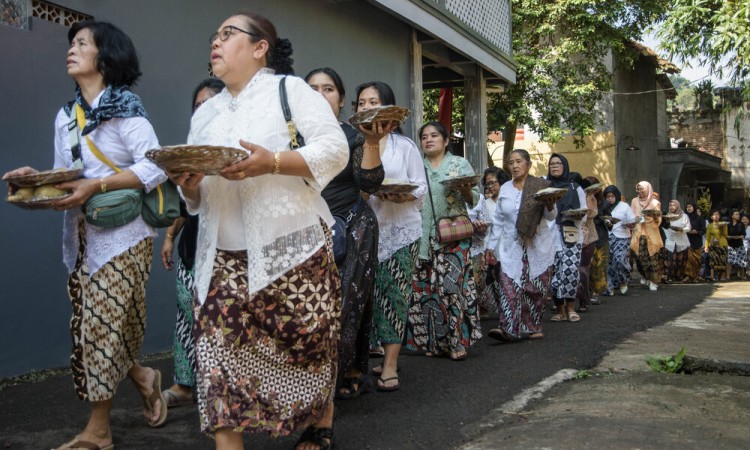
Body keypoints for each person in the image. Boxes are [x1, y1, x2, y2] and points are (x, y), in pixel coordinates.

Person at [168, 12, 349, 450]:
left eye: (227, 34)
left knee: (310, 344)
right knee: (216, 359)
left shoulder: (290, 90)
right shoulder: (206, 112)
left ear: (259, 46)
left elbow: (335, 149)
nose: (216, 41)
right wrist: (189, 188)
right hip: (220, 258)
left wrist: (271, 162)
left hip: (292, 245)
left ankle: (321, 418)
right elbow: (197, 200)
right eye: (214, 35)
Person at [3, 20, 168, 450]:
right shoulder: (66, 115)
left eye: (81, 43)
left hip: (125, 237)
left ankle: (98, 431)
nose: (71, 50)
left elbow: (156, 166)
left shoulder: (127, 108)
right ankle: (144, 375)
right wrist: (35, 180)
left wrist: (100, 185)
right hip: (81, 238)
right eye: (71, 43)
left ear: (105, 55)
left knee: (101, 329)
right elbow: (68, 176)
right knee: (102, 326)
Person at [304, 67, 386, 399]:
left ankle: (346, 370)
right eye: (311, 89)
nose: (320, 95)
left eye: (328, 89)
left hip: (352, 228)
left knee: (348, 306)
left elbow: (369, 183)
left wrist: (371, 142)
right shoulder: (289, 138)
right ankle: (312, 376)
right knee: (309, 307)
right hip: (306, 230)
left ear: (341, 100)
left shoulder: (353, 135)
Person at [357, 81, 427, 392]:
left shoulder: (406, 147)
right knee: (366, 299)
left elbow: (421, 187)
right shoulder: (352, 145)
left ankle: (390, 365)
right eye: (361, 102)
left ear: (388, 109)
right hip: (362, 234)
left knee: (395, 297)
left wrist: (404, 196)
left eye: (373, 100)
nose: (367, 106)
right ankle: (366, 355)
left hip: (401, 233)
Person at [159, 78, 225, 408]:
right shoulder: (190, 148)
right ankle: (185, 383)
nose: (200, 110)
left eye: (208, 103)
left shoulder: (233, 147)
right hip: (192, 244)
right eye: (196, 105)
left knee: (217, 319)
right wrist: (170, 237)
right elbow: (185, 202)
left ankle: (220, 385)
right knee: (187, 313)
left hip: (226, 247)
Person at [405, 121, 482, 361]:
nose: (428, 139)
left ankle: (458, 341)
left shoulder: (459, 164)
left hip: (453, 237)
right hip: (422, 238)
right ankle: (436, 343)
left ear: (446, 140)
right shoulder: (417, 167)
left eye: (434, 135)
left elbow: (473, 199)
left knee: (451, 289)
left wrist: (466, 189)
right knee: (426, 292)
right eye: (424, 136)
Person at [485, 149, 557, 341]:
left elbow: (551, 217)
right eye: (510, 163)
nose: (514, 166)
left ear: (528, 164)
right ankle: (507, 327)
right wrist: (490, 247)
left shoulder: (541, 186)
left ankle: (532, 326)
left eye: (518, 161)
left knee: (535, 288)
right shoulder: (506, 188)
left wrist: (550, 205)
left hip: (537, 244)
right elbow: (498, 220)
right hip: (511, 245)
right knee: (508, 285)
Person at [547, 154, 586, 322]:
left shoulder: (575, 188)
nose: (554, 166)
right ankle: (560, 310)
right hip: (549, 235)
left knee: (570, 271)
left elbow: (584, 212)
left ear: (565, 166)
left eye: (558, 163)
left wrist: (574, 215)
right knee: (553, 272)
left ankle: (571, 308)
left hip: (571, 233)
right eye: (552, 164)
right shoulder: (545, 187)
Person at [468, 166, 509, 313]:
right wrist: (486, 251)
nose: (490, 186)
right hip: (494, 247)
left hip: (511, 246)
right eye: (487, 183)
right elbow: (487, 230)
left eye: (493, 183)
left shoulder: (511, 200)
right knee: (498, 280)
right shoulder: (486, 203)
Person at [602, 185, 636, 296]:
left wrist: (630, 224)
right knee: (608, 262)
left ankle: (623, 280)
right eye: (608, 196)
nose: (610, 199)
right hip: (608, 236)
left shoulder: (624, 206)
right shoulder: (603, 206)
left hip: (622, 236)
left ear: (616, 195)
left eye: (612, 196)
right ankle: (609, 287)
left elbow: (632, 221)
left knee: (620, 259)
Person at [630, 181, 663, 291]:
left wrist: (650, 217)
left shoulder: (655, 203)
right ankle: (645, 276)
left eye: (642, 189)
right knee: (639, 258)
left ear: (648, 189)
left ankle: (654, 281)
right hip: (638, 233)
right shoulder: (635, 201)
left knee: (652, 258)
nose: (639, 192)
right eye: (638, 189)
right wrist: (636, 219)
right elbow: (632, 215)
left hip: (651, 233)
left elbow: (658, 220)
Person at [575, 175, 598, 313]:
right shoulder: (576, 196)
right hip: (573, 234)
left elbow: (589, 214)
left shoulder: (591, 198)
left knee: (583, 269)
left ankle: (584, 300)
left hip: (589, 236)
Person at [585, 176, 609, 304]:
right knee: (588, 264)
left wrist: (608, 221)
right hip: (587, 235)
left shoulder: (603, 202)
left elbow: (608, 217)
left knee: (600, 265)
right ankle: (587, 291)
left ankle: (596, 292)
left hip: (601, 234)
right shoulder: (582, 198)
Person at [662, 200, 691, 283]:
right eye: (670, 205)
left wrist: (681, 229)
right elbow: (664, 227)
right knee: (669, 259)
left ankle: (678, 276)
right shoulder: (667, 216)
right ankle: (667, 276)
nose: (671, 207)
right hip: (670, 240)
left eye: (674, 205)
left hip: (681, 240)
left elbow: (688, 227)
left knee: (680, 260)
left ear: (678, 206)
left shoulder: (684, 216)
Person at [683, 202, 706, 282]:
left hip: (697, 241)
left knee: (696, 260)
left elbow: (703, 230)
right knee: (688, 259)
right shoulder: (684, 218)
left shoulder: (699, 218)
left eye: (690, 207)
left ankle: (695, 276)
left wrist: (697, 232)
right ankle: (688, 276)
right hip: (687, 240)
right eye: (687, 207)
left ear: (694, 208)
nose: (688, 208)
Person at [705, 209, 729, 281]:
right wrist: (706, 247)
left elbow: (725, 234)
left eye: (717, 214)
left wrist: (722, 227)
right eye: (714, 215)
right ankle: (712, 276)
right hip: (712, 245)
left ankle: (722, 276)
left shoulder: (723, 223)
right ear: (711, 216)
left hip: (722, 244)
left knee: (722, 261)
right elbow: (707, 237)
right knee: (712, 261)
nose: (716, 216)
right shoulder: (710, 225)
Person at [727, 209, 747, 279]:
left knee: (742, 261)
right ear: (732, 215)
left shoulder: (741, 224)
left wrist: (738, 237)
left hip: (739, 244)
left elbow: (743, 234)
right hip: (731, 244)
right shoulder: (728, 224)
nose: (738, 216)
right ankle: (727, 277)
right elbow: (726, 235)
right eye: (736, 214)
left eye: (738, 214)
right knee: (730, 261)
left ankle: (742, 276)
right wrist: (731, 237)